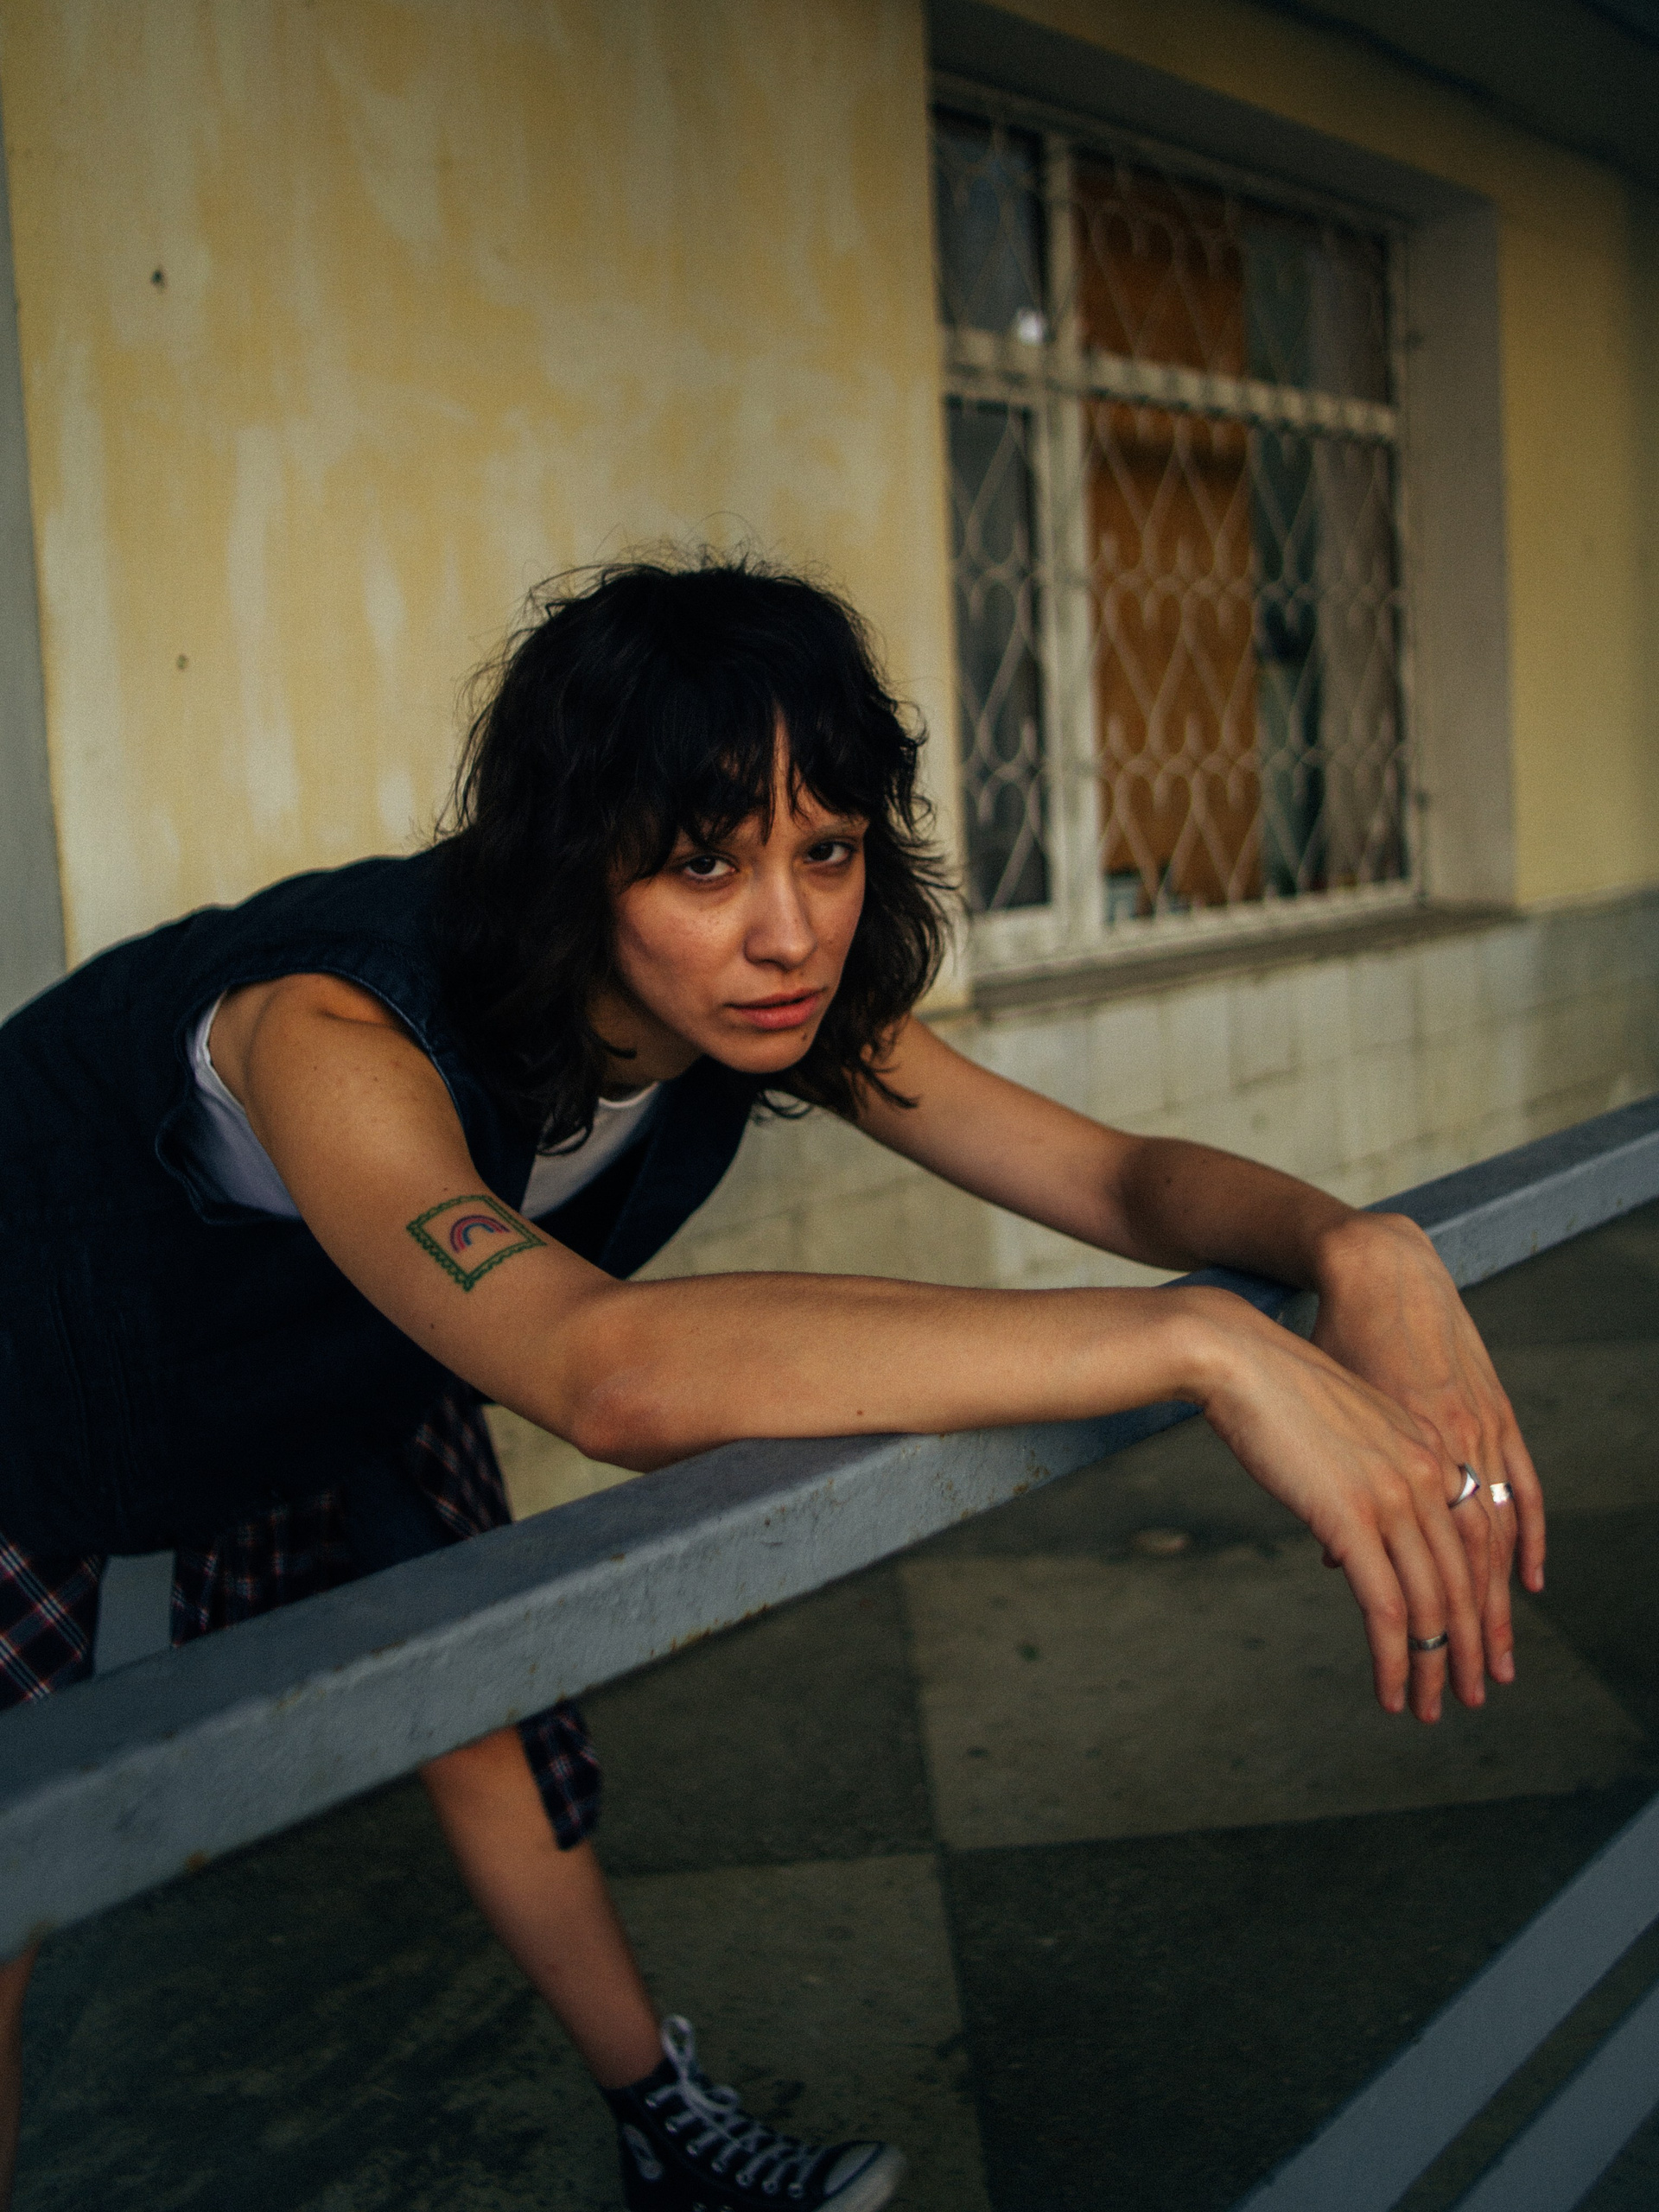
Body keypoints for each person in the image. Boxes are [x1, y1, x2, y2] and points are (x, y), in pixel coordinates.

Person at [0, 556, 1543, 2212]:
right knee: (12, 1871)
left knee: (484, 1720)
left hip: (336, 1372)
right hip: (37, 1397)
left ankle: (662, 2129)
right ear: (569, 859)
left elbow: (1106, 1176)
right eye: (702, 864)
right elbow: (602, 1367)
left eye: (828, 848)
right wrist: (1209, 1341)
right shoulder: (335, 1026)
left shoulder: (771, 1004)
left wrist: (1359, 1246)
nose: (790, 930)